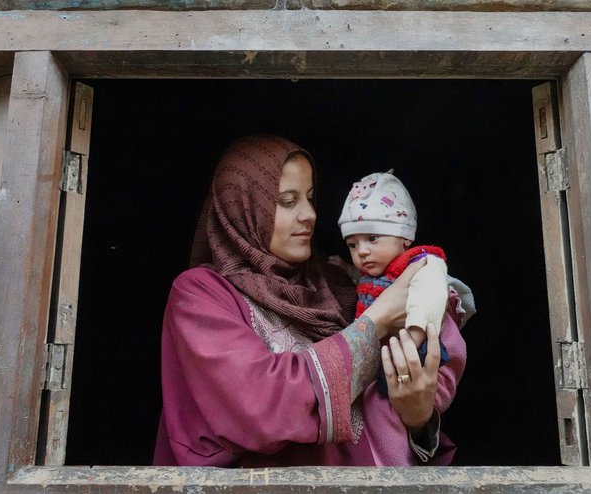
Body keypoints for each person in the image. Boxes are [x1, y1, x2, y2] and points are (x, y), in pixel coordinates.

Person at [153, 134, 464, 467]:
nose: (310, 215)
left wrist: (417, 417)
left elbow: (395, 414)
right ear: (242, 207)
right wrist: (377, 321)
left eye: (311, 198)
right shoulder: (202, 294)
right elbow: (260, 406)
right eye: (287, 201)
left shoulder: (342, 284)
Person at [336, 169, 472, 463]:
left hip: (421, 352)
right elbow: (363, 284)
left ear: (404, 237)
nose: (362, 251)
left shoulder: (424, 263)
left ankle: (394, 474)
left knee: (389, 417)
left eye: (372, 238)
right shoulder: (373, 272)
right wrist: (343, 269)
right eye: (353, 244)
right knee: (379, 411)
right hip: (390, 363)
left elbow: (431, 295)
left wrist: (415, 334)